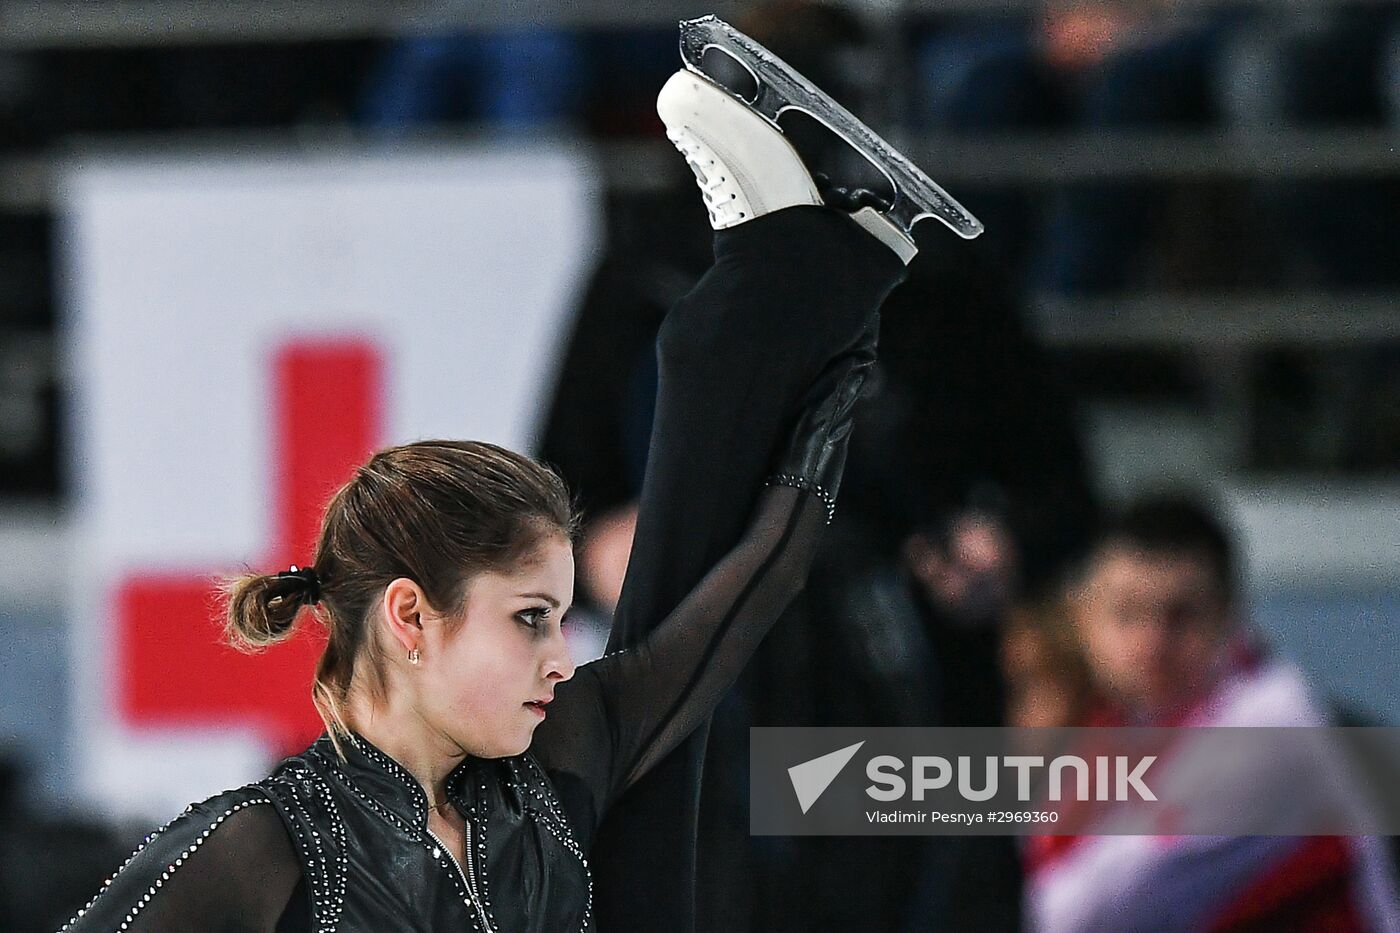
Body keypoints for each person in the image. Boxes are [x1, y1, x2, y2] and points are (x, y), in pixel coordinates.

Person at [58, 22, 975, 929]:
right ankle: (783, 268)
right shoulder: (265, 845)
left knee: (668, 722)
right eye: (532, 619)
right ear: (413, 616)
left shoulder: (568, 741)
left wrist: (842, 356)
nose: (561, 652)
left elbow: (751, 578)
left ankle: (789, 263)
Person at [1023, 493, 1400, 932]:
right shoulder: (1112, 724)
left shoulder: (1268, 725)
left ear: (1228, 615)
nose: (1152, 644)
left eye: (1180, 616)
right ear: (1084, 618)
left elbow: (1076, 916)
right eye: (1126, 615)